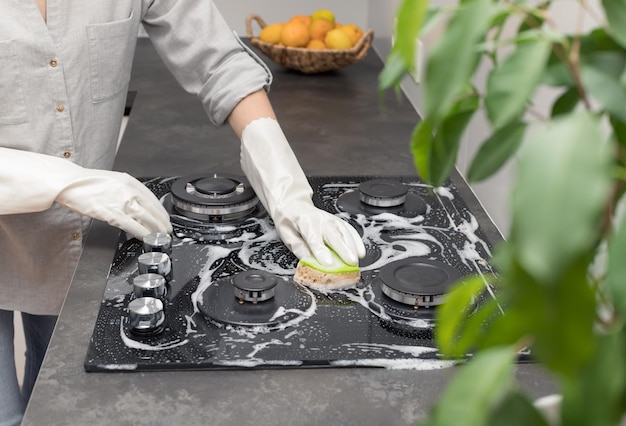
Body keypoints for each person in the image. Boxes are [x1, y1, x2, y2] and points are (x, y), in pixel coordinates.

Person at [0, 1, 365, 424]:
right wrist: (63, 181)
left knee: (54, 407)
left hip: (68, 251)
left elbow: (218, 61)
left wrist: (285, 184)